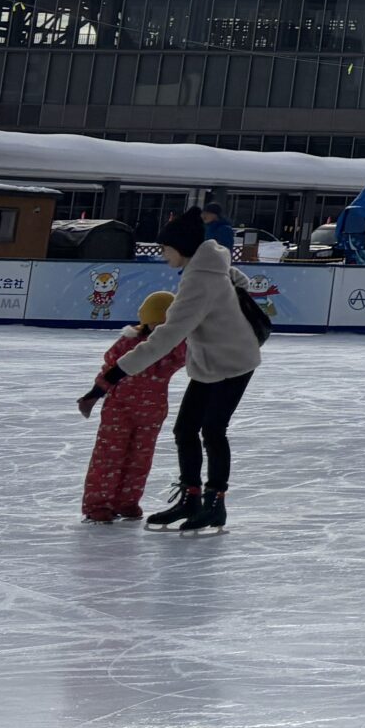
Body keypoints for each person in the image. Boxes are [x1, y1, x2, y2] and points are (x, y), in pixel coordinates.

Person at [90, 209, 264, 536]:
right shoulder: (207, 265)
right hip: (209, 362)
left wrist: (114, 374)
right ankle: (191, 498)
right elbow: (239, 280)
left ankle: (215, 503)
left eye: (165, 248)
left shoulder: (200, 279)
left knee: (213, 430)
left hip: (235, 362)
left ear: (181, 247)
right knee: (185, 430)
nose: (162, 254)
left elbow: (166, 337)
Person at [75, 289, 185, 522]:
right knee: (108, 457)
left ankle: (127, 501)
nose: (159, 329)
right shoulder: (129, 342)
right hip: (119, 409)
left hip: (153, 411)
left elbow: (195, 356)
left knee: (140, 458)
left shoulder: (175, 345)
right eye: (155, 323)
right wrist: (93, 395)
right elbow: (110, 370)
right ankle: (98, 505)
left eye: (164, 324)